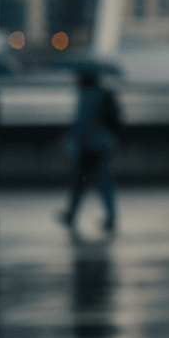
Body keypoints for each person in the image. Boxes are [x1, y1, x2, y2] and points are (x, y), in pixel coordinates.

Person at [58, 71, 120, 231]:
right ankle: (111, 216)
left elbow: (82, 123)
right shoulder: (103, 94)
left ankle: (71, 214)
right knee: (104, 181)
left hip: (89, 145)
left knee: (80, 181)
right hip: (104, 143)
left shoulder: (87, 95)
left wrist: (73, 141)